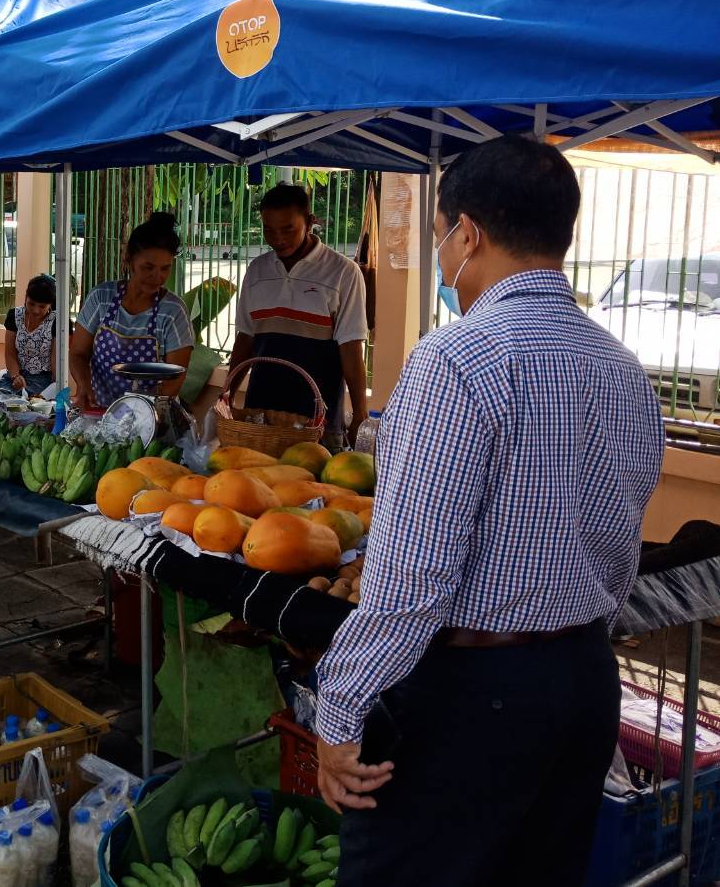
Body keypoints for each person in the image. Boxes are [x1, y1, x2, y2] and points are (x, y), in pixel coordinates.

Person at [313, 136, 665, 887]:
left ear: (465, 233)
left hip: (470, 698)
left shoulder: (457, 360)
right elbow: (616, 548)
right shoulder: (624, 370)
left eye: (441, 236)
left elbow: (411, 578)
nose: (442, 258)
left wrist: (339, 710)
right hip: (583, 682)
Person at [227, 184, 369, 448]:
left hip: (318, 418)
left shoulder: (343, 273)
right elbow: (245, 340)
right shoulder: (257, 271)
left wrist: (360, 413)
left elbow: (350, 348)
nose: (278, 238)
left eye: (288, 229)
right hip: (261, 414)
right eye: (269, 230)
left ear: (310, 222)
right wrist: (226, 394)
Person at [70, 212, 194, 409]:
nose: (157, 276)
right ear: (128, 259)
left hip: (151, 420)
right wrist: (84, 386)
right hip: (100, 411)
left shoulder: (173, 312)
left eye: (165, 268)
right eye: (148, 267)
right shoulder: (101, 298)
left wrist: (142, 415)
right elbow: (78, 353)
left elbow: (175, 379)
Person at [0, 274, 59, 397]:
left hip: (42, 379)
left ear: (51, 304)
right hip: (16, 375)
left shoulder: (57, 322)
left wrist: (53, 389)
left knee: (19, 401)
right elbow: (10, 353)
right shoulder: (14, 315)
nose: (36, 310)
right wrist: (15, 376)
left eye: (42, 306)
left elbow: (55, 360)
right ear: (26, 297)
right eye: (31, 304)